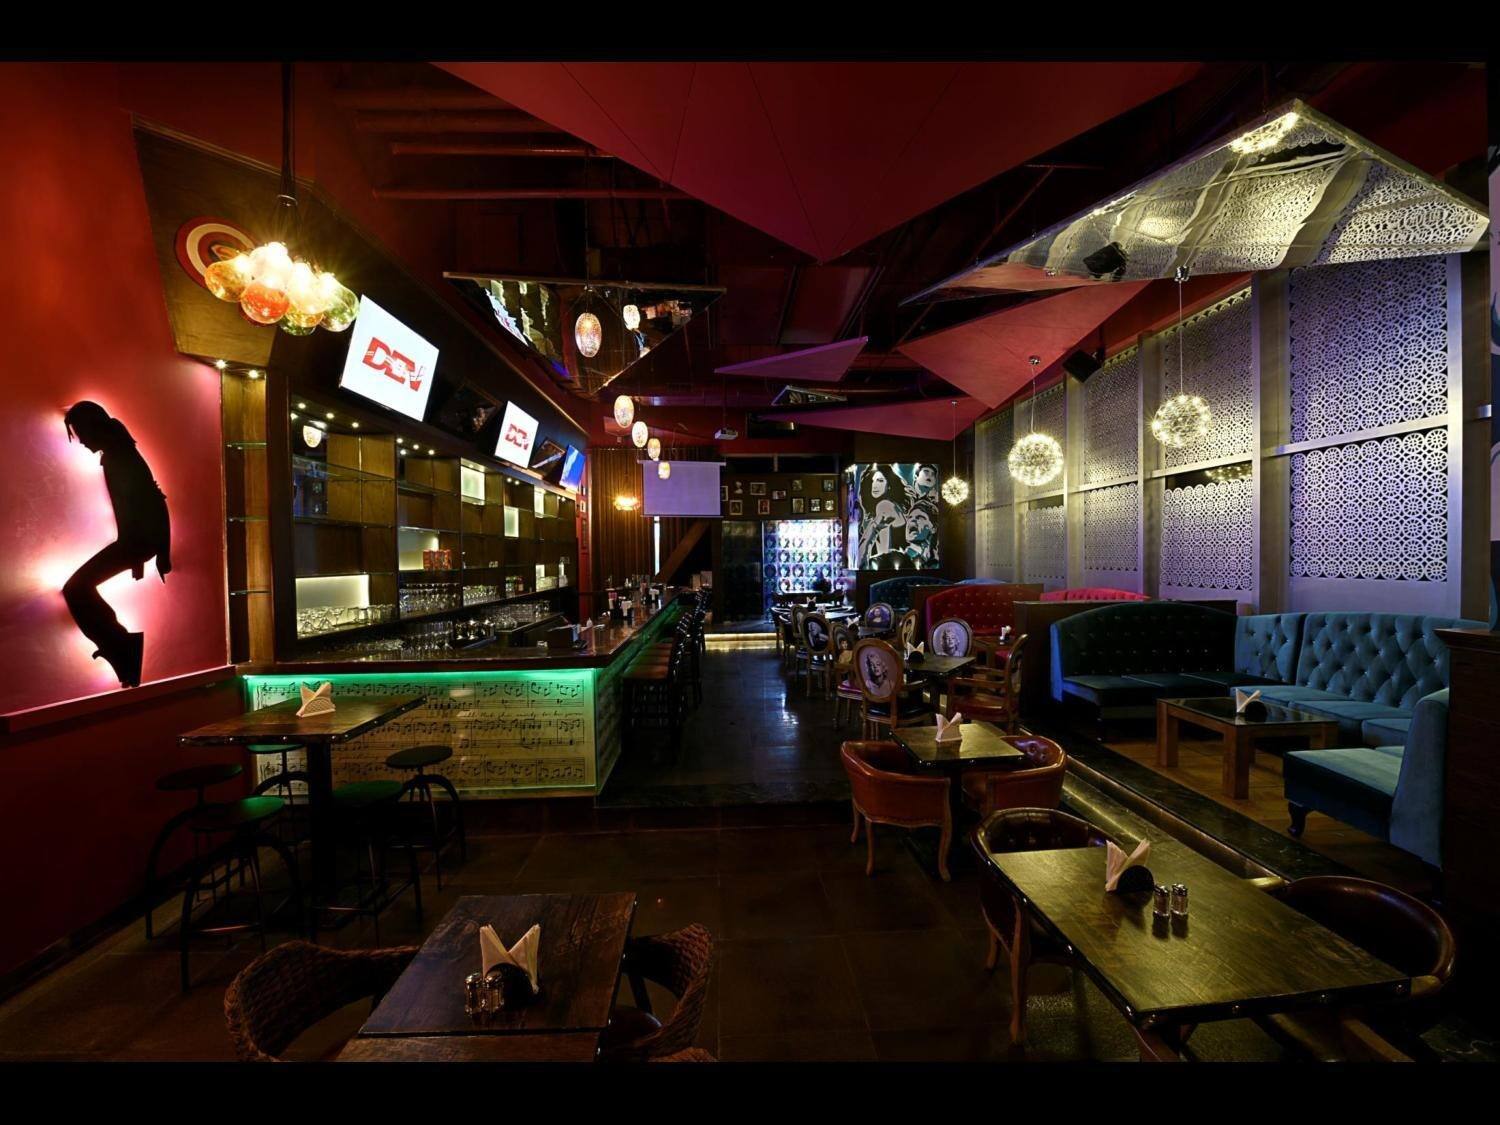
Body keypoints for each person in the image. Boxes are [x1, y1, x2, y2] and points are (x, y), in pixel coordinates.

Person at [62, 402, 172, 688]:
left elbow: (154, 501)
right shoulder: (118, 453)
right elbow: (151, 500)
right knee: (77, 588)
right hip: (137, 540)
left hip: (137, 540)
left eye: (81, 433)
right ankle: (120, 645)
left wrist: (161, 551)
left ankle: (121, 645)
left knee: (75, 589)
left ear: (93, 428)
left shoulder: (119, 457)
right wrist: (158, 550)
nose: (81, 441)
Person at [903, 499, 940, 568]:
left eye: (920, 517)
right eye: (910, 517)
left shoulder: (936, 562)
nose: (912, 520)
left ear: (934, 528)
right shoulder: (900, 557)